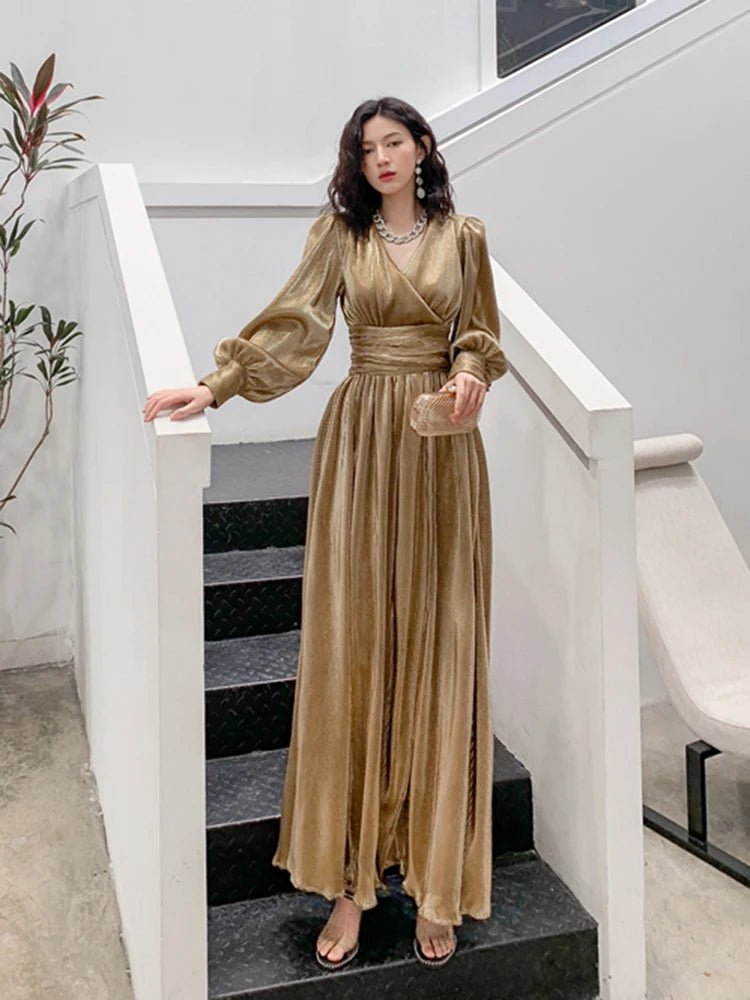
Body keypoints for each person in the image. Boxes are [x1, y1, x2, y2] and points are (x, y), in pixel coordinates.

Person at [143, 96, 507, 970]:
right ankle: (350, 882)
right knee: (355, 649)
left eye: (395, 141)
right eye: (367, 147)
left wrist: (467, 374)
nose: (382, 157)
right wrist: (216, 386)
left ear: (422, 148)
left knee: (442, 648)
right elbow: (295, 327)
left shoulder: (464, 238)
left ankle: (433, 880)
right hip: (362, 443)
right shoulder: (340, 238)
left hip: (442, 455)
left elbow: (479, 335)